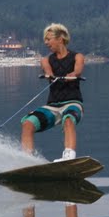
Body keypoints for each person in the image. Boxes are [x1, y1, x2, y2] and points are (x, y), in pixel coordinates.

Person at [21, 23, 85, 161]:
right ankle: (27, 160)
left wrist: (71, 75)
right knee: (28, 123)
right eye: (45, 39)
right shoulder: (45, 60)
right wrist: (50, 75)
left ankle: (68, 157)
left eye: (49, 39)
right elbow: (48, 70)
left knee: (68, 119)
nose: (46, 42)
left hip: (73, 103)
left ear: (60, 39)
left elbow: (78, 71)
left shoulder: (77, 57)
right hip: (52, 106)